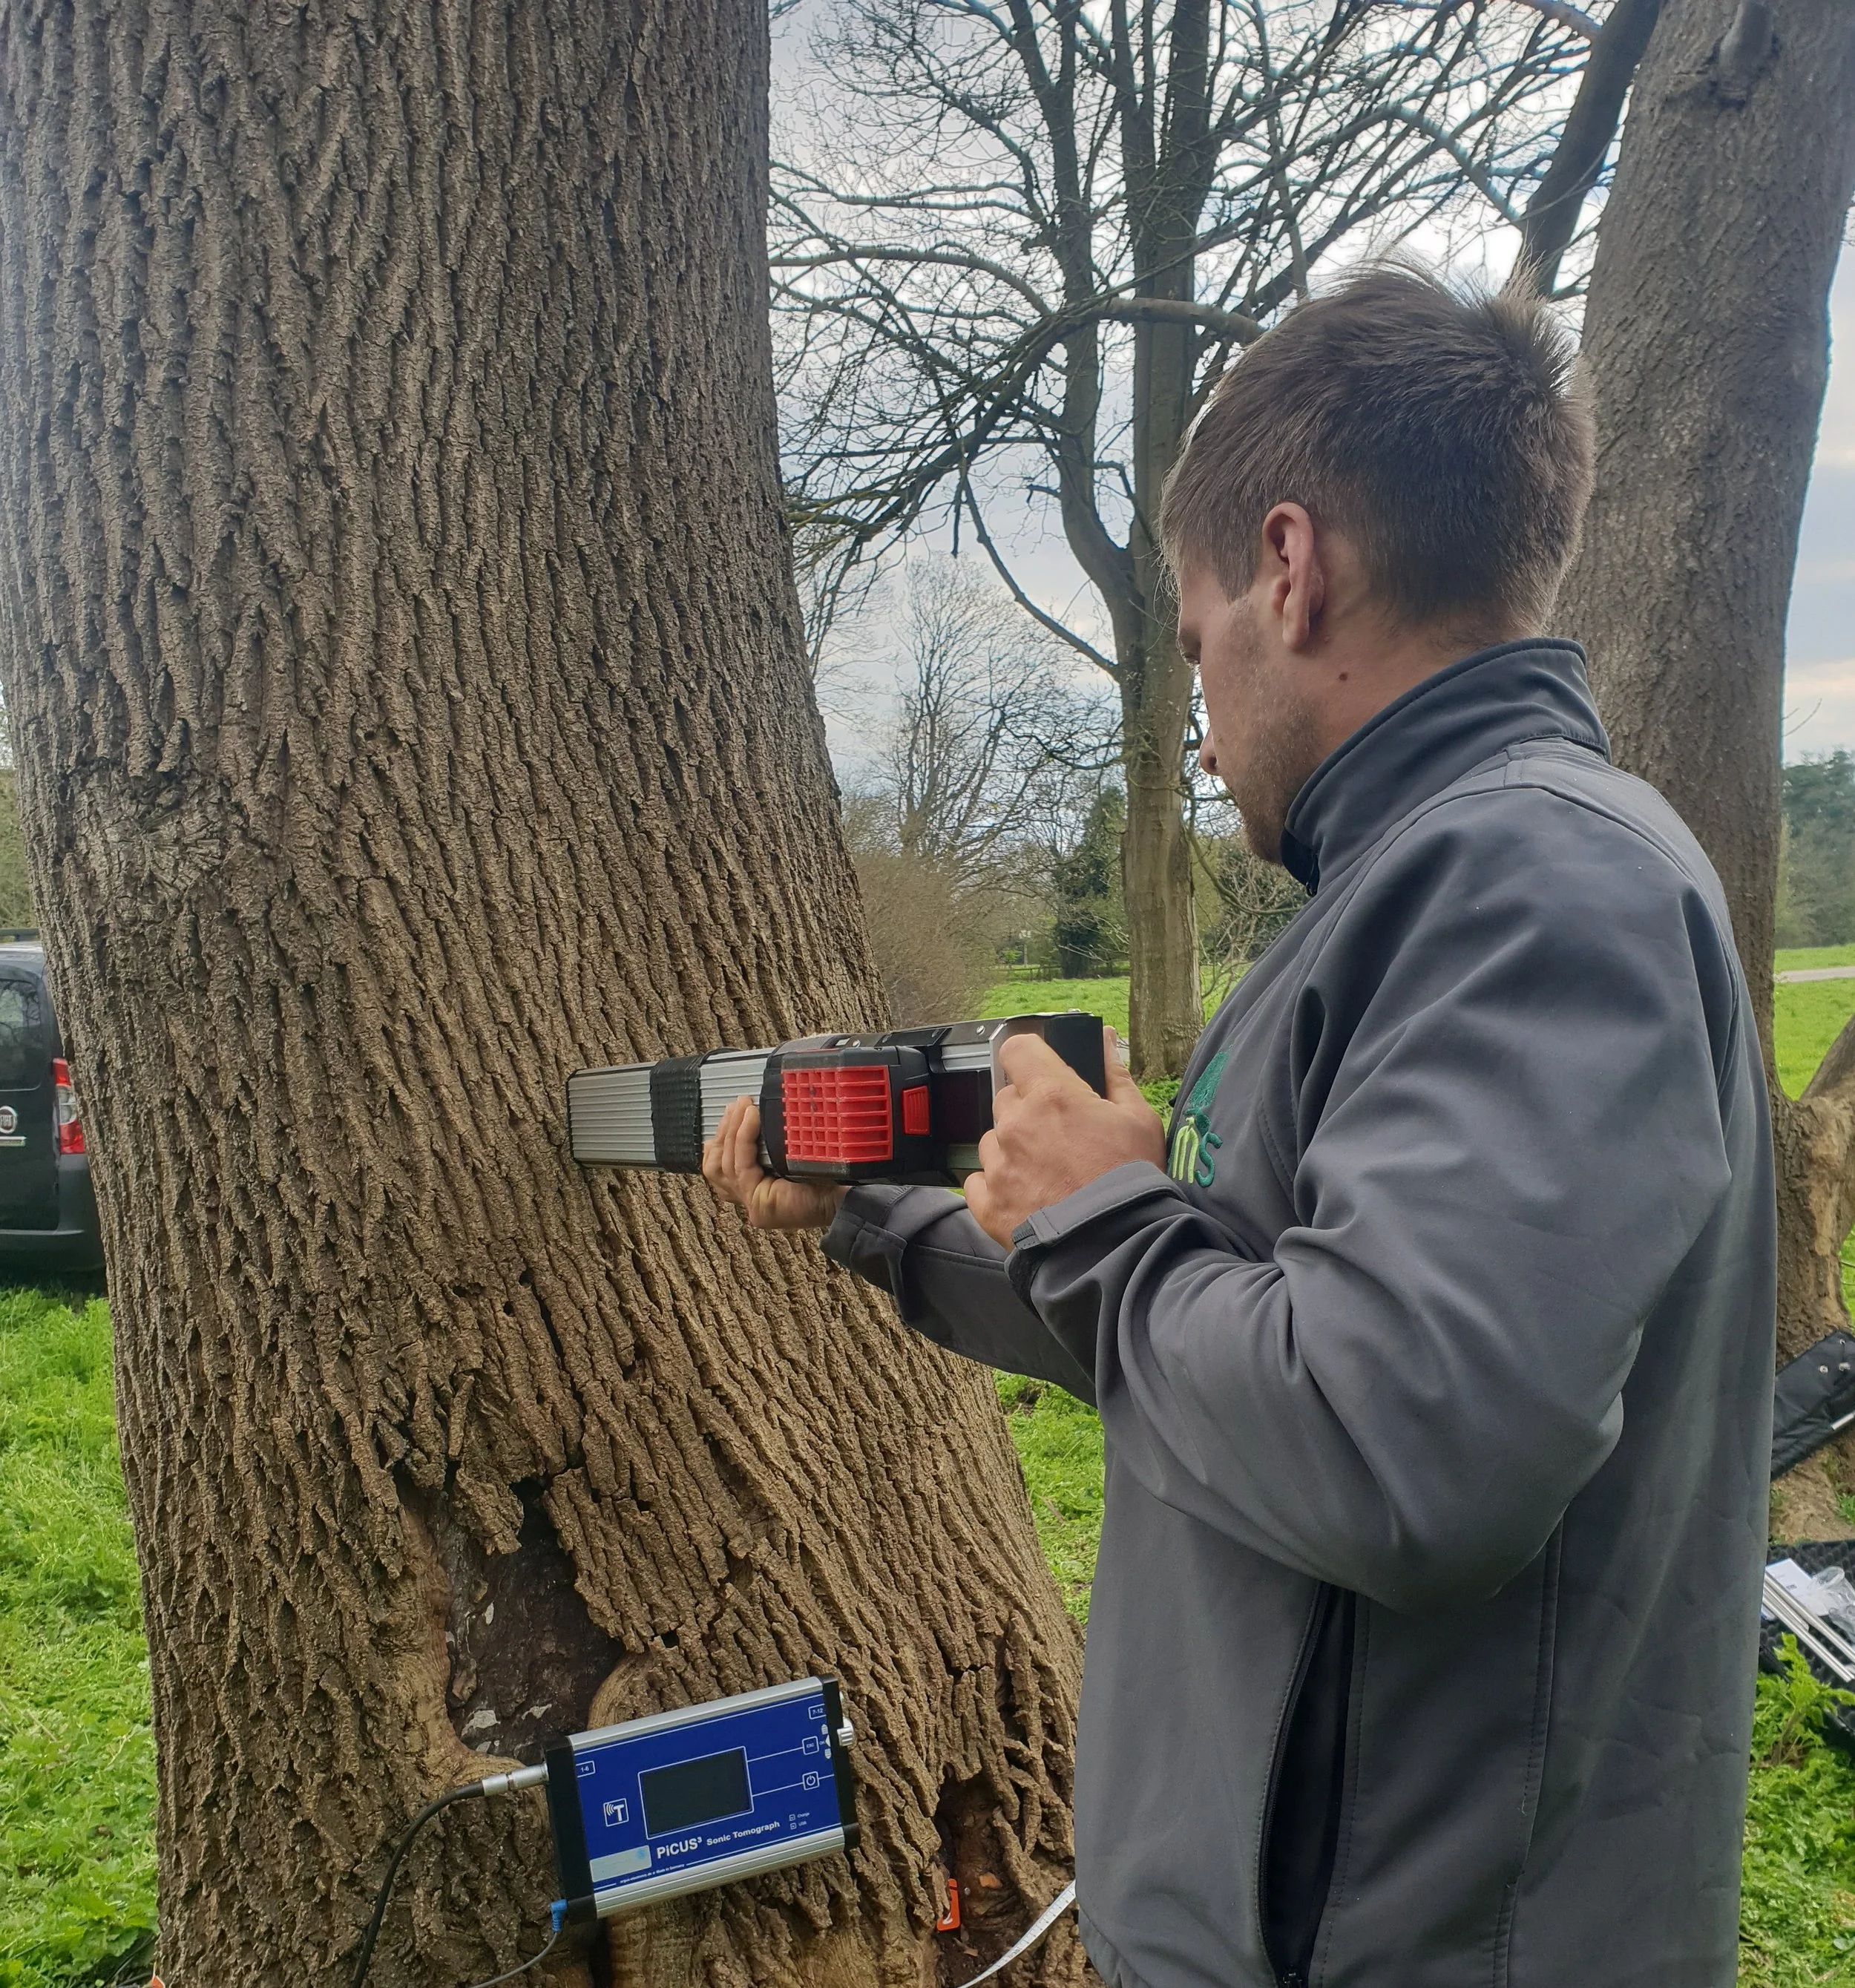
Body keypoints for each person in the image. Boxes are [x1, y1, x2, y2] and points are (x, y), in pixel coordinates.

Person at [702, 266, 1775, 1988]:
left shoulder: (1530, 881)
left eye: (1191, 647)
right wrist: (877, 1218)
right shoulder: (1400, 893)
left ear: (1288, 567)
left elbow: (1400, 1448)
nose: (1200, 737)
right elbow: (1203, 1344)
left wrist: (1110, 1212)